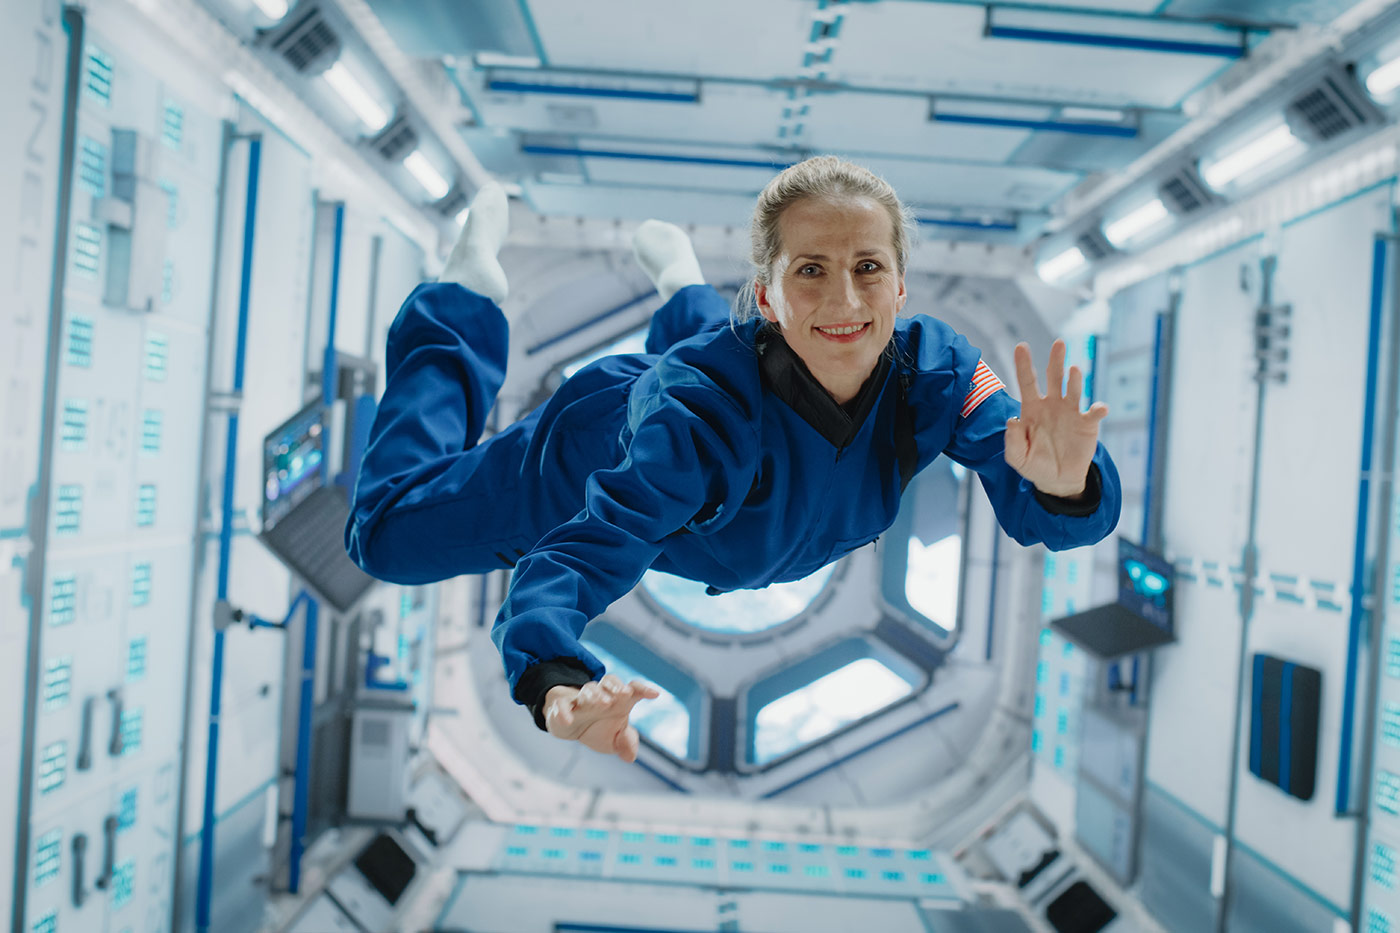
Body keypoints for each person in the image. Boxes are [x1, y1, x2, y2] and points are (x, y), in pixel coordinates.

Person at [346, 156, 1121, 765]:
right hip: (595, 443)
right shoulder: (693, 425)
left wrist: (1067, 486)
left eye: (868, 267)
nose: (846, 300)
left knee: (715, 370)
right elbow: (578, 556)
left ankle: (683, 288)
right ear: (767, 295)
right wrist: (555, 679)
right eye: (811, 270)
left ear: (901, 282)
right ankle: (463, 303)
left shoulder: (942, 375)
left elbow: (1041, 506)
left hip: (715, 422)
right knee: (382, 536)